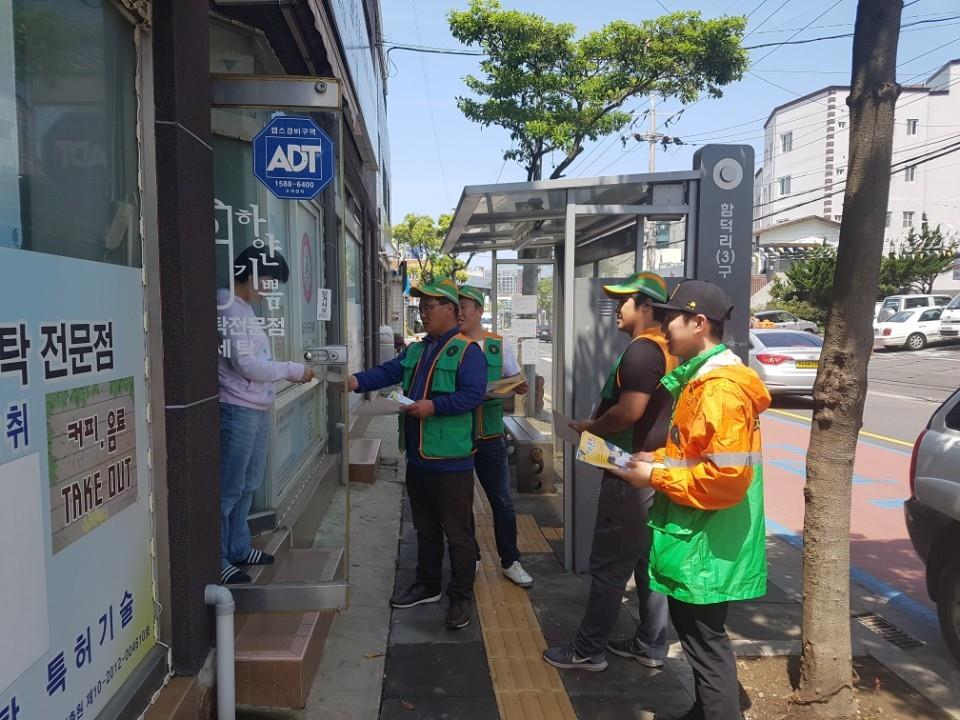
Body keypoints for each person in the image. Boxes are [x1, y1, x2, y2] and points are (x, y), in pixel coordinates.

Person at [609, 279, 772, 720]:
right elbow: (697, 456)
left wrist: (654, 475)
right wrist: (656, 458)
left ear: (699, 324)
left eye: (670, 319)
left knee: (705, 643)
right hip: (697, 535)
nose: (663, 329)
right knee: (701, 640)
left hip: (704, 540)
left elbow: (725, 480)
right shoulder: (701, 383)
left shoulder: (718, 390)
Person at [543, 271, 676, 672]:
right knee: (648, 562)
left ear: (647, 306)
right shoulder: (670, 350)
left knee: (608, 566)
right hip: (657, 468)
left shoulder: (642, 351)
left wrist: (589, 429)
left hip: (629, 473)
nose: (617, 309)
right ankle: (651, 643)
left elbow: (629, 411)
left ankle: (589, 650)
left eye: (624, 301)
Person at [348, 278, 487, 630]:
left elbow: (473, 395)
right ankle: (427, 584)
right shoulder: (416, 349)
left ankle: (460, 596)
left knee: (457, 533)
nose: (423, 313)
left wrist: (433, 406)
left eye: (430, 307)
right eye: (421, 307)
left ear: (453, 312)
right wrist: (355, 381)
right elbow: (389, 372)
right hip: (419, 456)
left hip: (451, 459)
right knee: (424, 528)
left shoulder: (467, 351)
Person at [217, 247, 315, 585]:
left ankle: (238, 547)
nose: (270, 290)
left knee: (247, 486)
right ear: (251, 274)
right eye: (269, 282)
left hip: (254, 407)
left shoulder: (241, 307)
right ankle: (217, 559)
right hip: (237, 408)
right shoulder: (226, 305)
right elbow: (245, 364)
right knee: (229, 488)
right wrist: (292, 369)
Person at [457, 285, 534, 588]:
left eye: (466, 306)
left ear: (479, 311)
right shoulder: (451, 345)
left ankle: (511, 560)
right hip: (458, 437)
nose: (460, 311)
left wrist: (518, 386)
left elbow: (514, 378)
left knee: (501, 500)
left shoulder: (496, 345)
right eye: (457, 306)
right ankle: (471, 556)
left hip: (490, 436)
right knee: (461, 502)